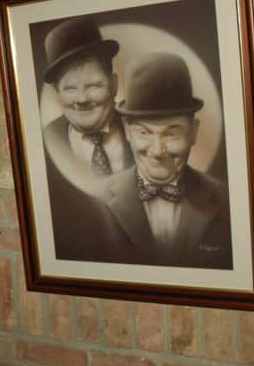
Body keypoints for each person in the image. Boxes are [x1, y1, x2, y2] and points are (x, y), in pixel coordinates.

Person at [99, 52, 233, 268]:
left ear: (193, 132)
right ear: (127, 132)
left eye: (172, 133)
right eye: (144, 132)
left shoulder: (227, 199)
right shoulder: (95, 201)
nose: (158, 150)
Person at [42, 16, 133, 180]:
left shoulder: (145, 130)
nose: (82, 99)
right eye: (69, 89)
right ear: (58, 94)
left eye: (93, 85)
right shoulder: (44, 143)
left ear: (114, 85)